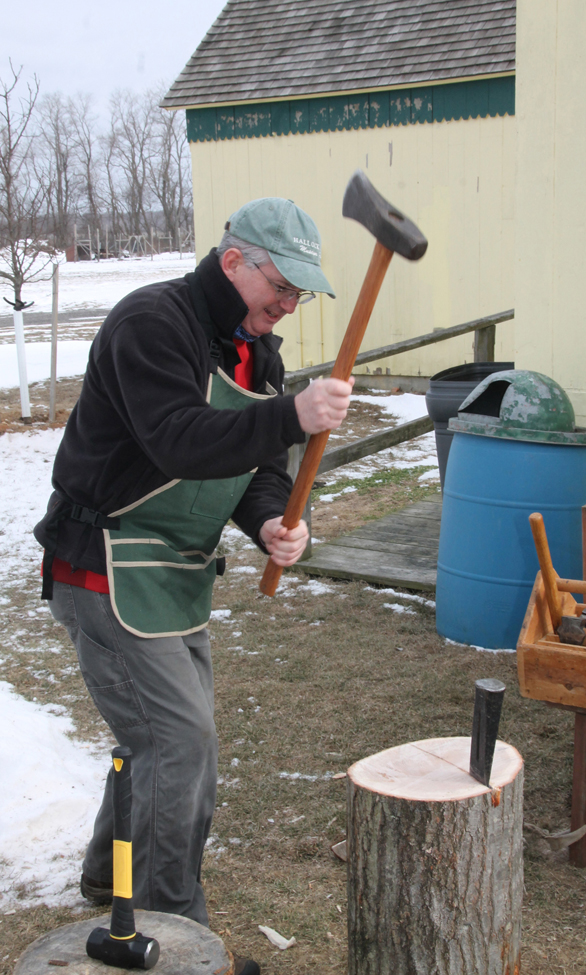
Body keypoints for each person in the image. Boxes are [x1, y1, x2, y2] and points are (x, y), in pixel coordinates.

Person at [34, 198, 353, 963]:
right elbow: (178, 437)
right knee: (179, 741)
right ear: (234, 260)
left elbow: (251, 471)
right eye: (280, 284)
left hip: (172, 572)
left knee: (160, 736)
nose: (288, 303)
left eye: (300, 292)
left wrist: (273, 521)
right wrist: (289, 414)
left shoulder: (257, 350)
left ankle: (102, 873)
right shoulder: (153, 321)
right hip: (102, 560)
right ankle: (174, 928)